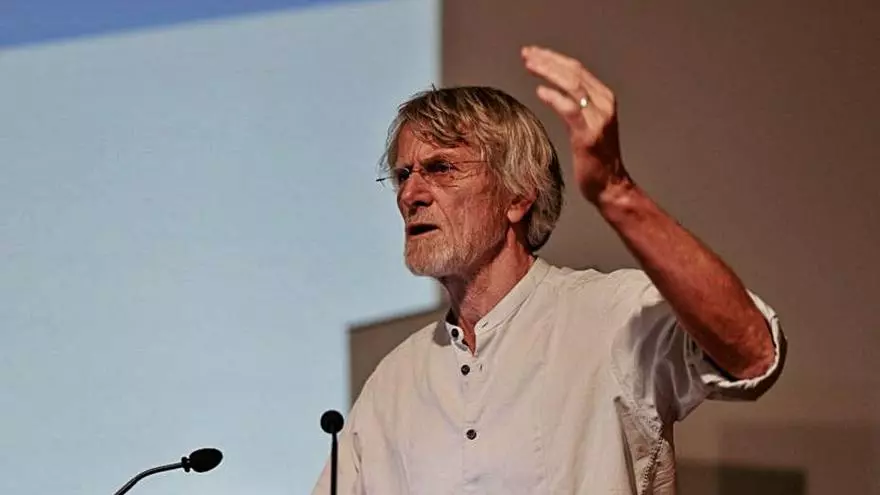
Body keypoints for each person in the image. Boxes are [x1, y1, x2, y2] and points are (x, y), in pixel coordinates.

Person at [312, 45, 786, 494]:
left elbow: (754, 354)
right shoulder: (393, 383)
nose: (410, 194)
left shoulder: (610, 316)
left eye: (440, 169)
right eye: (402, 175)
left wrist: (617, 192)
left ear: (518, 196)